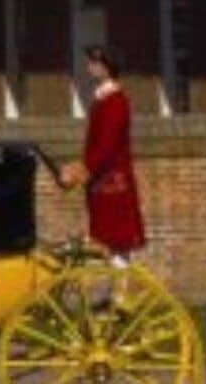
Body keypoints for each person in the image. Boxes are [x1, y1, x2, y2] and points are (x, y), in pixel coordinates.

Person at [63, 45, 148, 260]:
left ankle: (119, 292)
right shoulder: (104, 99)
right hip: (103, 179)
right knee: (106, 238)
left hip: (112, 179)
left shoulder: (115, 102)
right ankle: (112, 290)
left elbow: (107, 145)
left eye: (95, 62)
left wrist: (85, 169)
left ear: (107, 67)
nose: (90, 66)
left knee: (117, 239)